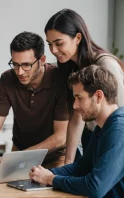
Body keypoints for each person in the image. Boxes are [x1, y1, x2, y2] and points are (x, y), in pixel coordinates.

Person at [0, 32, 68, 169]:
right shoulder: (7, 79)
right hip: (20, 151)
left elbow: (61, 136)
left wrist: (21, 157)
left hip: (55, 157)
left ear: (42, 60)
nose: (20, 72)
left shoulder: (60, 80)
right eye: (15, 64)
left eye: (26, 65)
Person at [30, 65, 124, 198]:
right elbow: (81, 167)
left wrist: (50, 179)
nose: (75, 105)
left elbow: (95, 187)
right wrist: (42, 173)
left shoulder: (119, 131)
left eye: (79, 98)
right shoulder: (102, 128)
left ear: (98, 96)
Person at [45, 8, 124, 164]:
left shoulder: (105, 64)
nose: (54, 50)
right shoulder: (70, 66)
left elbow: (121, 113)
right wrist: (68, 163)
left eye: (59, 43)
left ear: (78, 38)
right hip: (92, 135)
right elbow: (75, 118)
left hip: (113, 137)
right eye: (50, 44)